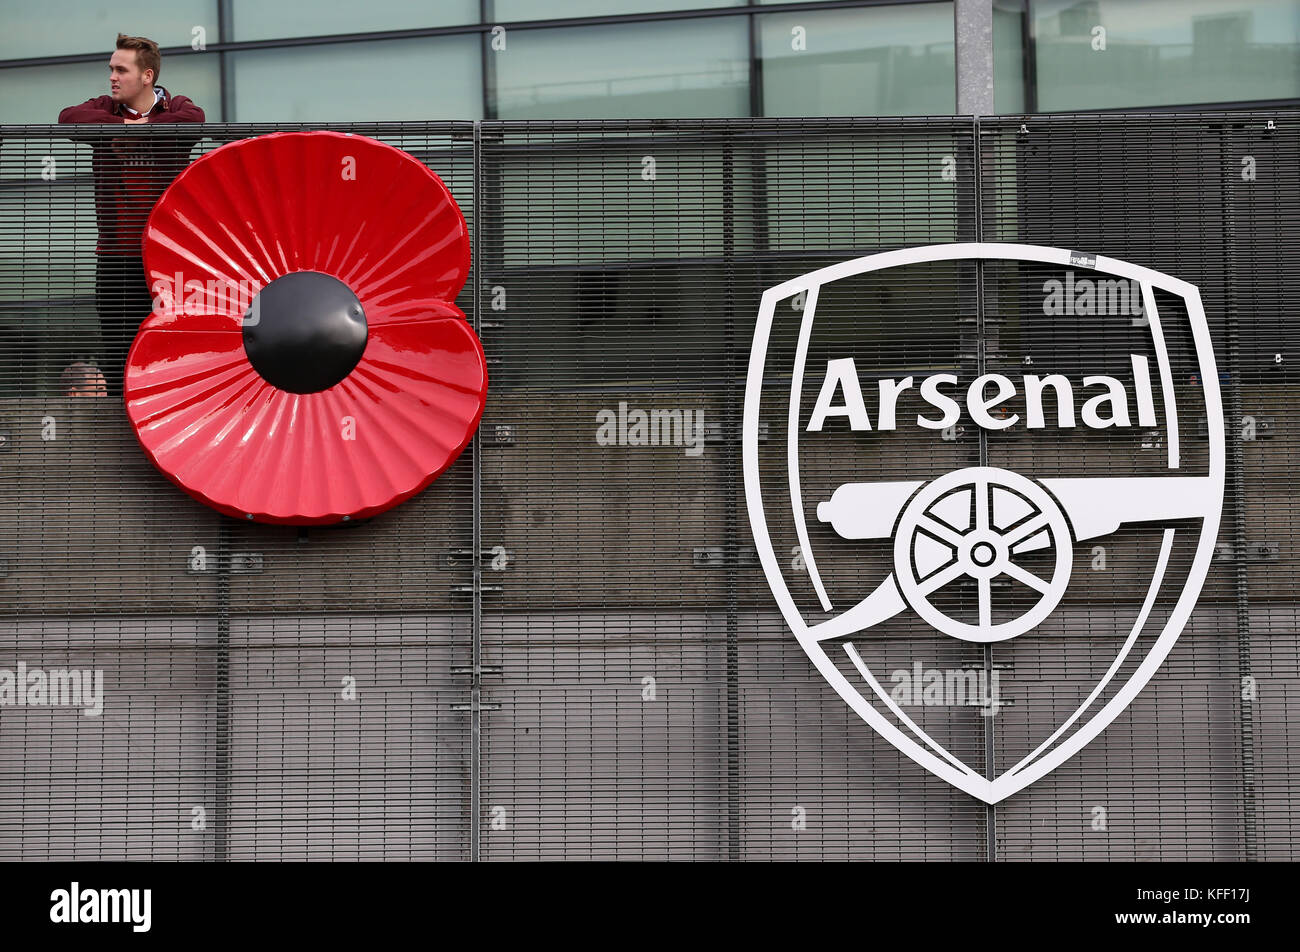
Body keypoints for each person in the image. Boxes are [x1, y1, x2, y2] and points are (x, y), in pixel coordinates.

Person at [58, 34, 205, 397]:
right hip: (116, 256)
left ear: (147, 76)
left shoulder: (174, 107)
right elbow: (67, 120)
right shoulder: (106, 109)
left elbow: (195, 122)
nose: (112, 77)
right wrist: (124, 127)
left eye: (121, 70)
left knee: (172, 347)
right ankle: (123, 438)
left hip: (168, 257)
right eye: (111, 69)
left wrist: (146, 129)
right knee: (119, 352)